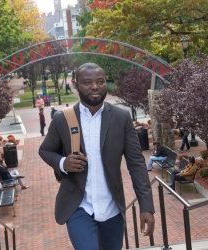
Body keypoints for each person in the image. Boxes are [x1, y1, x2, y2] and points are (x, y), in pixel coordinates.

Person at [38, 62, 155, 250]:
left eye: (100, 82)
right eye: (87, 82)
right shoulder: (63, 119)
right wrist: (62, 163)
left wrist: (146, 206)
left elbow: (136, 164)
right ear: (76, 85)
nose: (95, 87)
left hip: (112, 208)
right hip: (78, 206)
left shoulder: (121, 117)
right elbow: (45, 150)